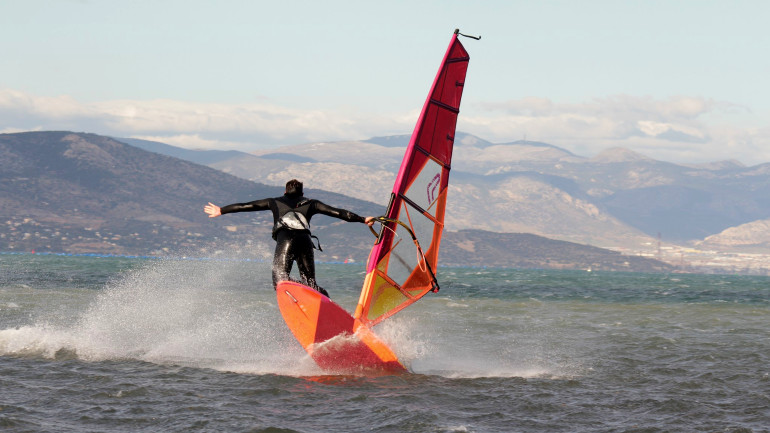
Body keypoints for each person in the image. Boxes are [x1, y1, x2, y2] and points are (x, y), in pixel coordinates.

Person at [204, 179, 374, 297]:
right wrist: (362, 219)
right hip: (305, 241)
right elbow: (338, 212)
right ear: (302, 193)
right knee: (311, 283)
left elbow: (247, 206)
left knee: (279, 279)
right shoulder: (312, 203)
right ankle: (325, 302)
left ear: (284, 191)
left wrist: (222, 210)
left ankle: (296, 297)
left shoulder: (274, 201)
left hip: (286, 240)